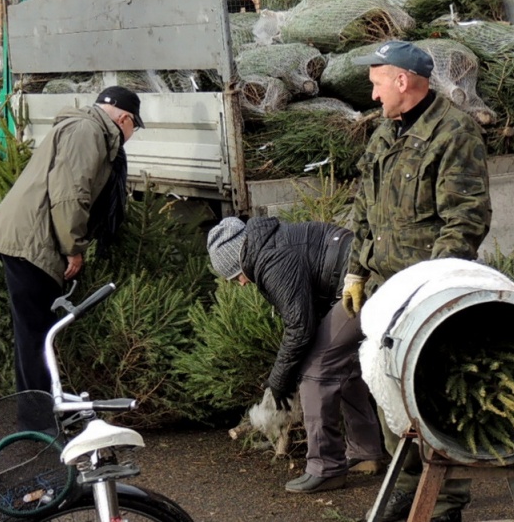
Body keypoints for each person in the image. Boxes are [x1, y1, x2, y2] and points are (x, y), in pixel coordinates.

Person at [344, 40, 492, 522]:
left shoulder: (454, 133)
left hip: (427, 296)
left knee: (432, 395)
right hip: (386, 294)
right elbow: (364, 207)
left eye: (376, 83)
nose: (373, 95)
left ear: (403, 81)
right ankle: (408, 488)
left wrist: (433, 287)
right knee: (389, 394)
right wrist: (356, 269)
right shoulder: (385, 134)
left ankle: (445, 505)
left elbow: (465, 220)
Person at [0, 85, 143, 429]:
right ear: (125, 120)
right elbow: (70, 193)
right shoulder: (88, 132)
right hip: (32, 244)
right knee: (38, 336)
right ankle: (38, 424)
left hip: (26, 241)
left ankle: (36, 416)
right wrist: (74, 248)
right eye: (133, 128)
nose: (130, 136)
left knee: (32, 333)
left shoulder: (83, 126)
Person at [206, 216, 388, 494]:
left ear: (239, 258)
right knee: (344, 365)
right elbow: (307, 316)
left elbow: (300, 329)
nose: (241, 283)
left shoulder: (271, 259)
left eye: (235, 276)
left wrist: (278, 382)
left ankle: (325, 468)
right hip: (367, 275)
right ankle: (366, 453)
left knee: (317, 369)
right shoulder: (272, 243)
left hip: (364, 284)